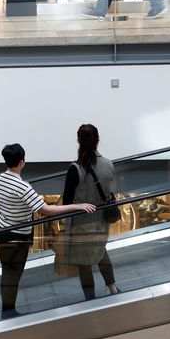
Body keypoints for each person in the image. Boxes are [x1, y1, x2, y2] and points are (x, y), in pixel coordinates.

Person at [0, 143, 96, 319]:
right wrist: (78, 206)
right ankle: (8, 312)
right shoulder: (22, 187)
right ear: (22, 162)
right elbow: (46, 210)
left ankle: (6, 309)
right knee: (14, 273)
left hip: (2, 230)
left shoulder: (0, 179)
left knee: (7, 270)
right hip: (18, 236)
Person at [61, 124, 120, 300]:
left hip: (81, 224)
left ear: (78, 141)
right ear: (98, 141)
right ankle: (113, 288)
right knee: (101, 252)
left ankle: (90, 298)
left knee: (83, 262)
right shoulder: (109, 165)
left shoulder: (75, 169)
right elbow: (109, 192)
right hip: (101, 222)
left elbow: (67, 202)